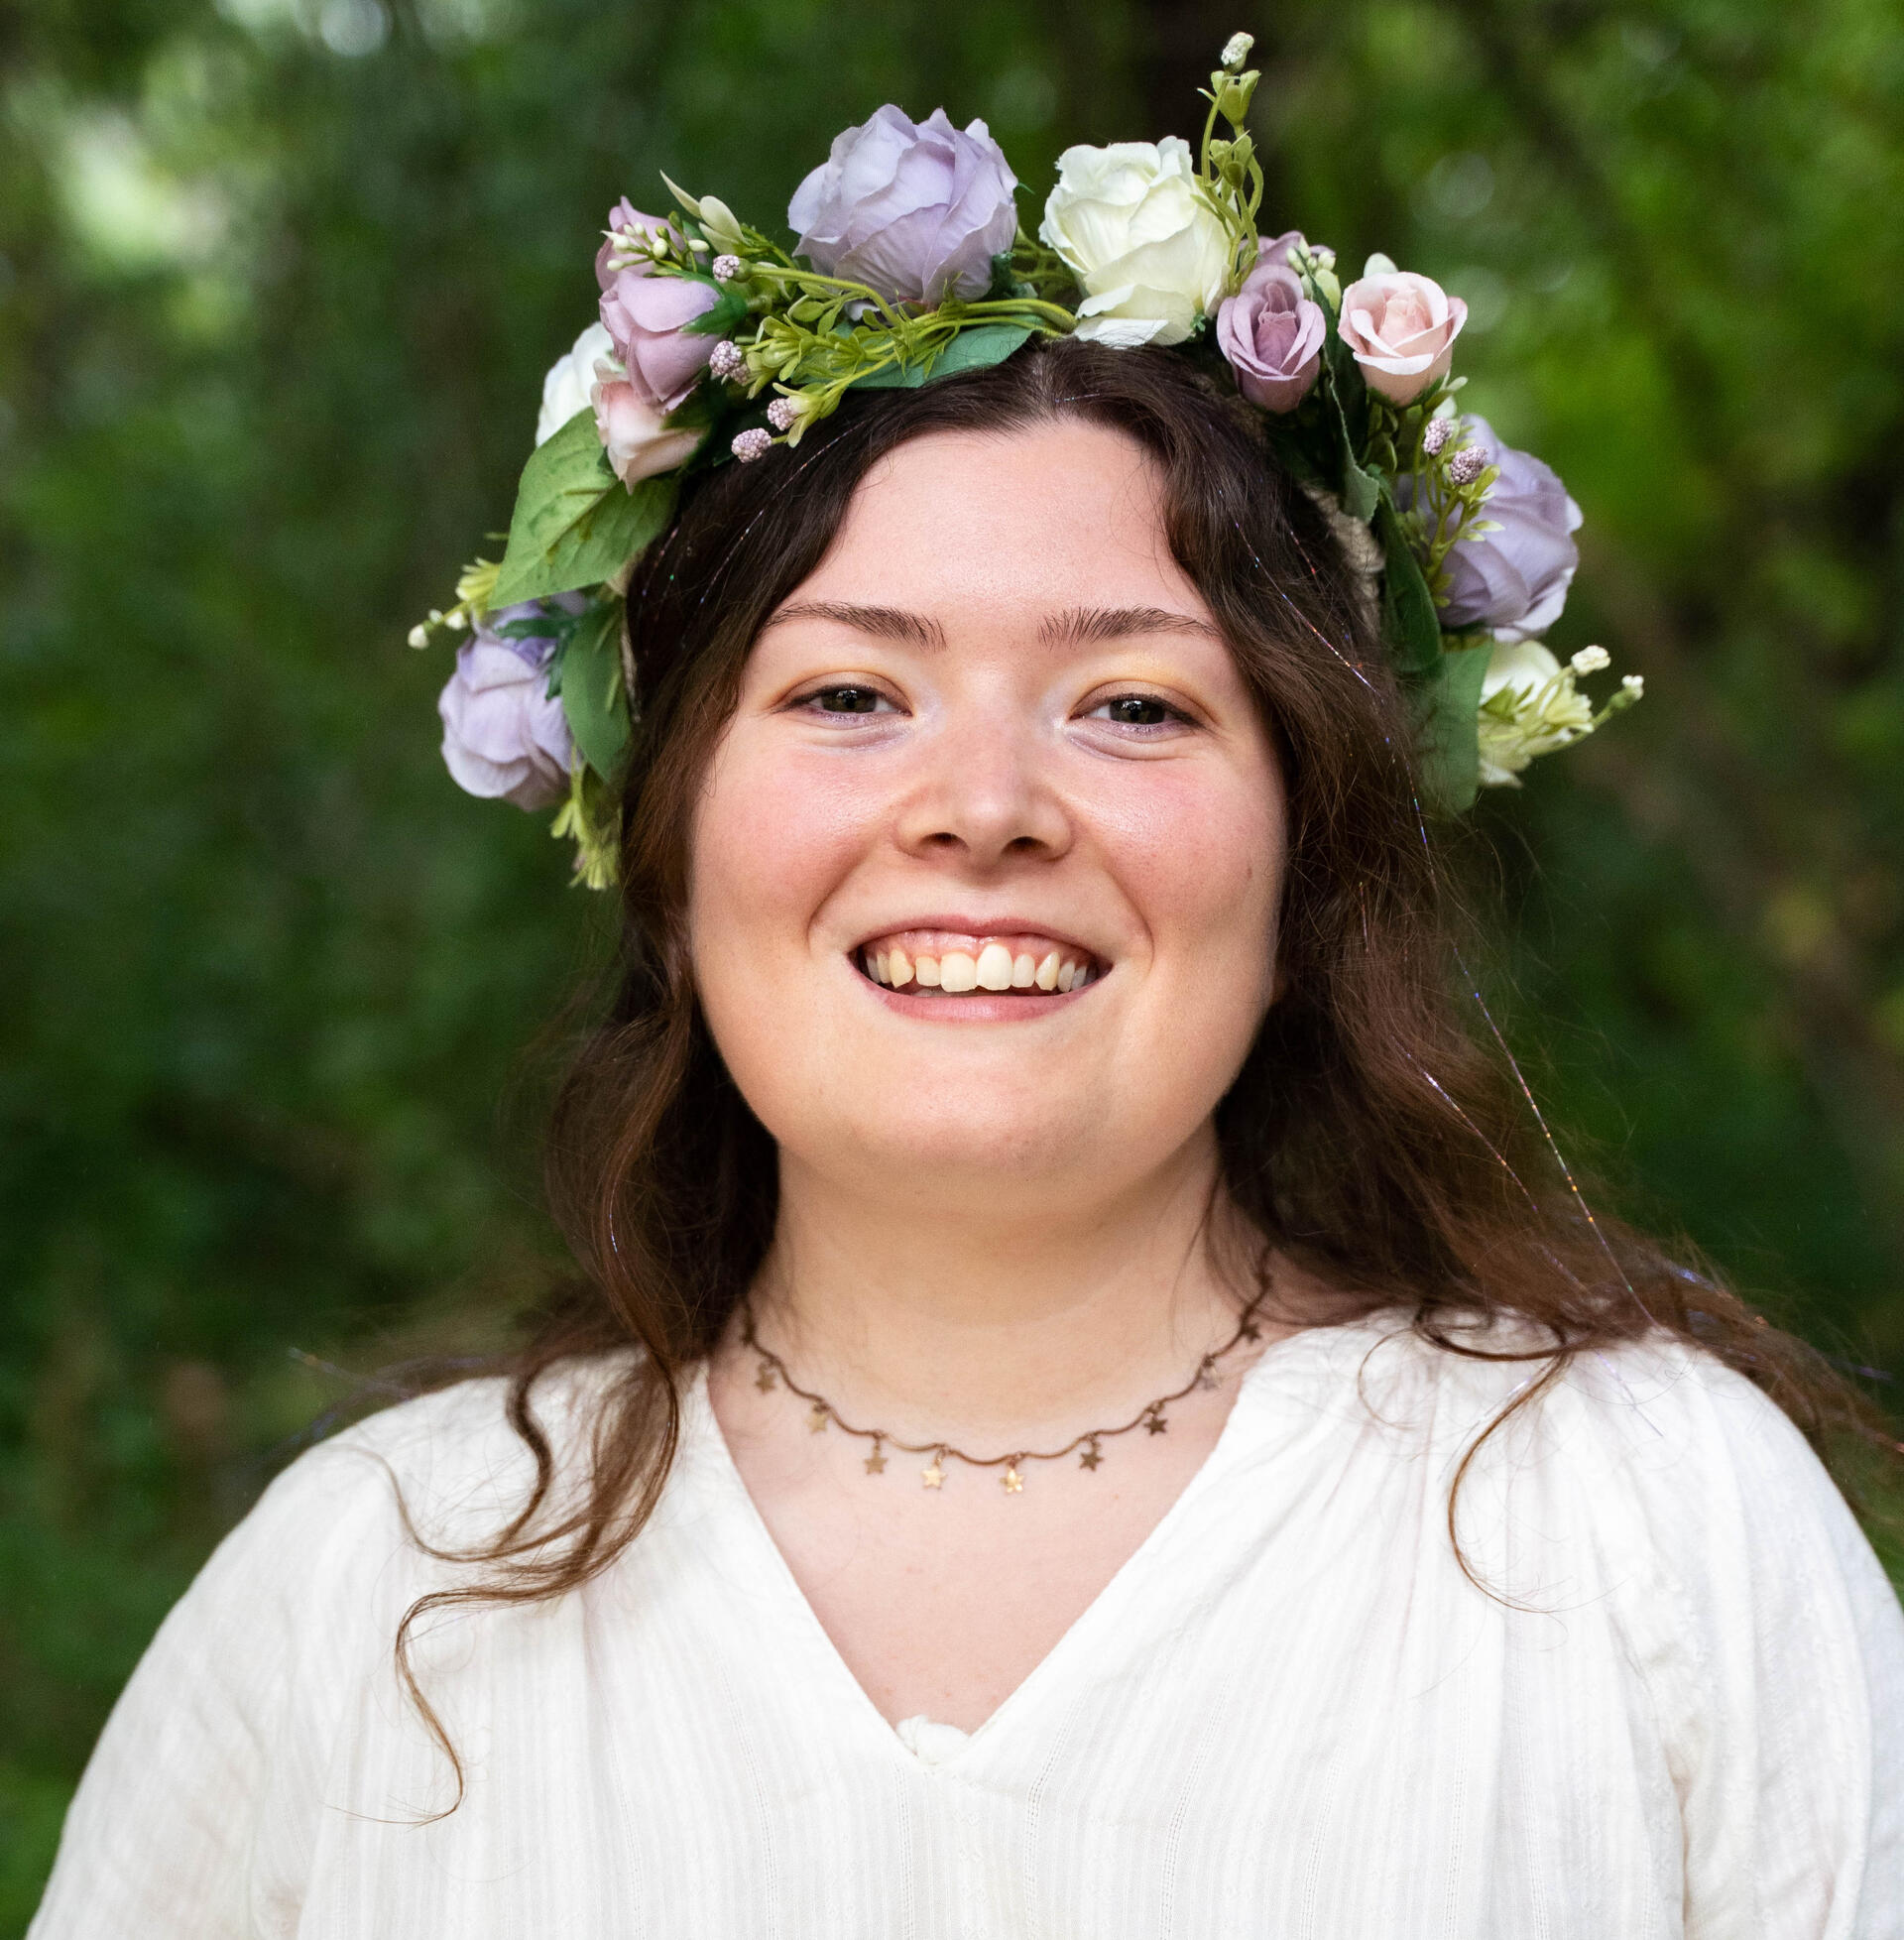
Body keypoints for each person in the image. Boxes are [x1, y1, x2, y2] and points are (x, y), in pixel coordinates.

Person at [32, 46, 1904, 1939]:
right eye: (851, 693)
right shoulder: (372, 1599)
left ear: (1305, 858)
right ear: (671, 843)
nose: (985, 806)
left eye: (1134, 706)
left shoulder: (1655, 1530)